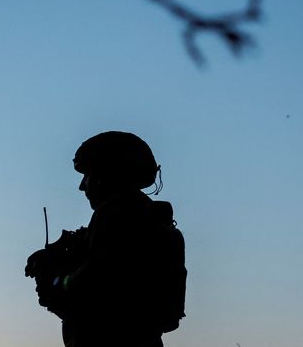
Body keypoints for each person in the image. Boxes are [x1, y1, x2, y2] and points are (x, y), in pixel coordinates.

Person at [26, 131, 186, 347]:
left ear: (106, 175)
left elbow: (91, 287)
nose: (82, 186)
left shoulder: (114, 215)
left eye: (87, 175)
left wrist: (55, 280)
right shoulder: (155, 221)